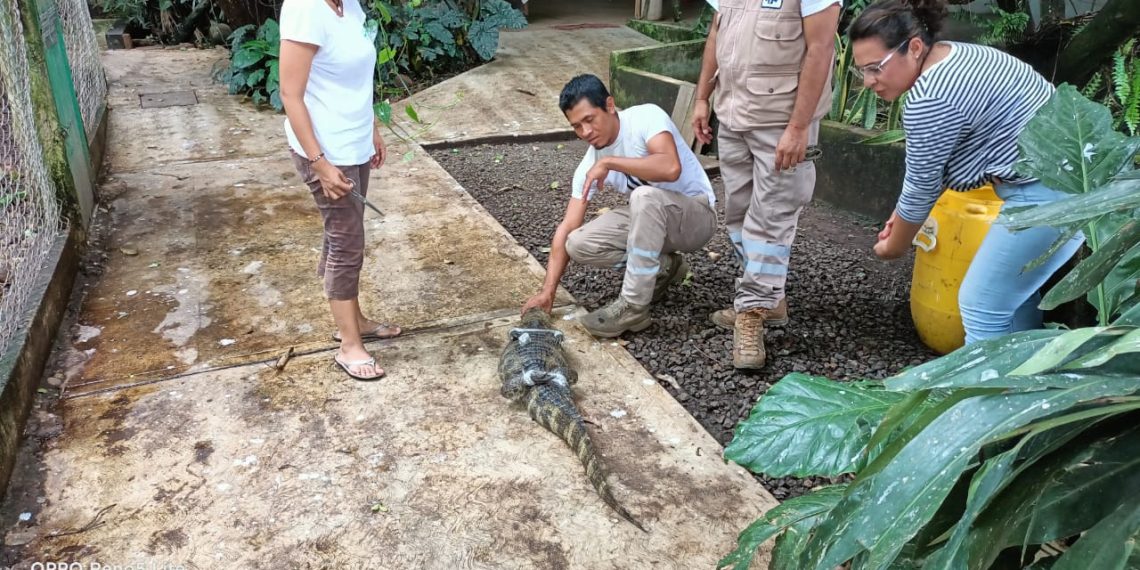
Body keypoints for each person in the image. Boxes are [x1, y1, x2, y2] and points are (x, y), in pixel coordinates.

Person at [848, 0, 1084, 343]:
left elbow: (921, 187)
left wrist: (894, 247)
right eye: (862, 71)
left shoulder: (930, 97)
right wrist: (901, 217)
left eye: (875, 68)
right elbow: (934, 170)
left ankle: (982, 380)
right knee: (1011, 300)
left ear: (914, 48)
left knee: (981, 306)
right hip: (1078, 178)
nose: (869, 82)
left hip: (1050, 192)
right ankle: (1030, 375)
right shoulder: (959, 54)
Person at [691, 0, 842, 369]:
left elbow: (821, 48)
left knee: (771, 220)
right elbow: (716, 32)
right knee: (739, 216)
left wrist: (798, 128)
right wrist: (702, 98)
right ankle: (770, 300)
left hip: (781, 123)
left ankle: (752, 312)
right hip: (733, 116)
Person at [522, 74, 718, 338]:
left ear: (610, 105)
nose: (585, 132)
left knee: (643, 197)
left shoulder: (645, 117)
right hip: (655, 223)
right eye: (577, 126)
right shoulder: (590, 162)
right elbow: (568, 225)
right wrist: (548, 292)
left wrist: (610, 162)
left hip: (697, 217)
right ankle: (664, 268)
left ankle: (633, 307)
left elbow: (670, 167)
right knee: (577, 243)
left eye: (590, 119)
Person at [279, 0, 401, 381]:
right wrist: (319, 163)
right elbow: (290, 94)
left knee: (345, 236)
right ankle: (349, 346)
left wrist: (372, 128)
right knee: (346, 242)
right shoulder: (304, 9)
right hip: (325, 150)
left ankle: (355, 320)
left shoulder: (349, 6)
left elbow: (357, 76)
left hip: (354, 142)